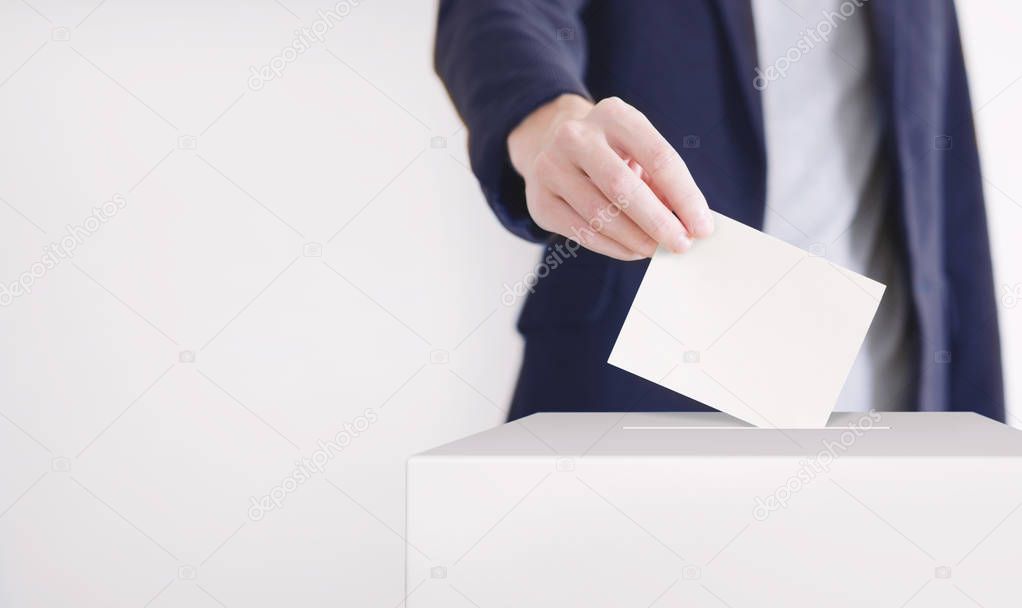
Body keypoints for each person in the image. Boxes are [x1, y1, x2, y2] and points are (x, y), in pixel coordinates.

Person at [434, 0, 1004, 423]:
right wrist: (548, 116)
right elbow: (498, 12)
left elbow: (946, 182)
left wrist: (984, 430)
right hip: (641, 388)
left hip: (888, 399)